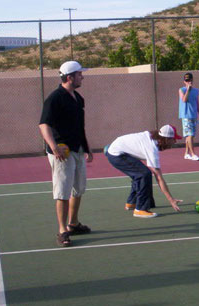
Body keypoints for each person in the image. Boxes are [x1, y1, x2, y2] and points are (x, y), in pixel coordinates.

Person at [39, 61, 93, 247]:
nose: (82, 77)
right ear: (70, 77)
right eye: (79, 74)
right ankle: (62, 231)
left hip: (77, 149)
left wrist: (86, 147)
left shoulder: (77, 98)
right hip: (62, 152)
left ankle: (73, 223)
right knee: (62, 191)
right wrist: (54, 147)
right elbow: (44, 124)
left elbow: (79, 126)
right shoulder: (54, 98)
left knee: (78, 188)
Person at [105, 124, 183, 218]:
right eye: (173, 139)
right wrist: (171, 199)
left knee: (139, 173)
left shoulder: (153, 138)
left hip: (118, 150)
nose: (174, 142)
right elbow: (158, 177)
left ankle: (132, 203)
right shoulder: (152, 147)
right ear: (166, 139)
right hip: (117, 154)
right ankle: (140, 209)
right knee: (144, 174)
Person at [178, 72, 199, 160]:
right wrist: (188, 90)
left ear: (192, 80)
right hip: (186, 115)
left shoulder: (196, 91)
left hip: (194, 115)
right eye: (187, 80)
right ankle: (193, 154)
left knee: (191, 135)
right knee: (189, 134)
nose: (188, 82)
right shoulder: (182, 90)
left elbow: (197, 104)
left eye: (189, 80)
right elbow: (184, 100)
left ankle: (186, 153)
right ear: (184, 81)